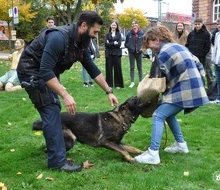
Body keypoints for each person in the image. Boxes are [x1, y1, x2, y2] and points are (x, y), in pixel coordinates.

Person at [17, 11, 118, 172]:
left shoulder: (80, 43)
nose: (95, 35)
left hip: (47, 72)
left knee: (53, 109)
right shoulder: (58, 38)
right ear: (84, 26)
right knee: (50, 108)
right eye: (95, 31)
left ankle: (55, 147)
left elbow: (92, 68)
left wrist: (109, 91)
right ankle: (57, 162)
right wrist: (65, 94)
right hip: (32, 71)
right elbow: (44, 70)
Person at [134, 25, 209, 165]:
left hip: (184, 89)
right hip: (195, 87)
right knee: (169, 114)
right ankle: (181, 145)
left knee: (158, 115)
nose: (150, 48)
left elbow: (158, 81)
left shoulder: (162, 54)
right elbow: (198, 63)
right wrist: (199, 81)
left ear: (156, 39)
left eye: (149, 45)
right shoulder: (178, 46)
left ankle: (153, 154)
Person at [185, 17, 212, 88]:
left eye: (199, 24)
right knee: (192, 74)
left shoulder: (206, 34)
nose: (197, 26)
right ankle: (194, 88)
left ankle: (202, 88)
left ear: (202, 24)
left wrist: (201, 55)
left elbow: (207, 47)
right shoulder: (191, 34)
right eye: (196, 24)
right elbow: (187, 44)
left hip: (200, 58)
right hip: (191, 57)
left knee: (201, 74)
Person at [104, 20, 124, 89]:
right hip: (109, 53)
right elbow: (106, 44)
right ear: (110, 26)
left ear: (116, 26)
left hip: (117, 53)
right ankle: (109, 85)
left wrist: (110, 42)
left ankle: (118, 84)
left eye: (115, 25)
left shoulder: (119, 34)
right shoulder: (107, 35)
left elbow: (119, 44)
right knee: (109, 69)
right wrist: (113, 43)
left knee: (117, 68)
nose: (113, 26)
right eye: (112, 25)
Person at [125, 20, 144, 88]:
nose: (134, 25)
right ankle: (132, 82)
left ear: (138, 25)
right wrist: (130, 48)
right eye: (133, 24)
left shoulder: (141, 33)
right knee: (132, 67)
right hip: (131, 53)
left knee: (140, 68)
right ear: (132, 26)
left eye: (135, 24)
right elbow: (126, 43)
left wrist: (141, 49)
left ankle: (141, 82)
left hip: (139, 53)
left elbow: (143, 43)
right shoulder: (129, 33)